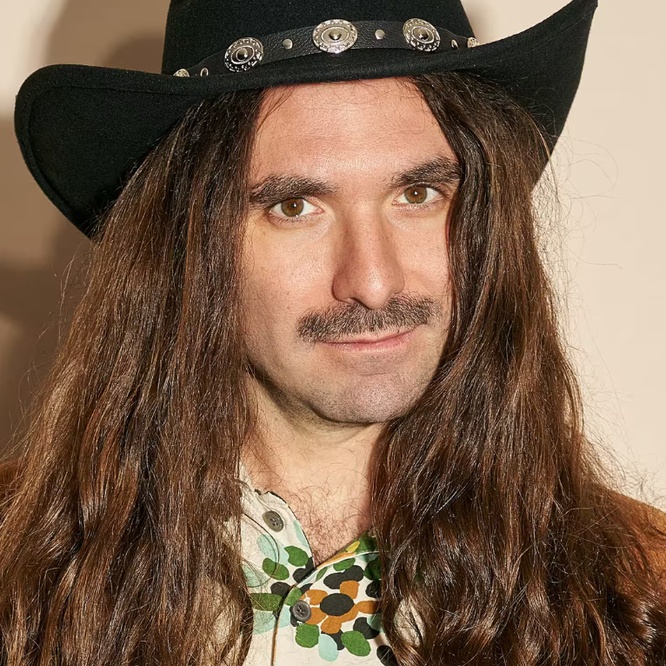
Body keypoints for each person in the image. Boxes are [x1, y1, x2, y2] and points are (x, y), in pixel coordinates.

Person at [2, 0, 665, 664]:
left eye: (418, 195)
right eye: (295, 206)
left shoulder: (642, 596)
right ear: (187, 243)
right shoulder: (21, 579)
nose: (373, 281)